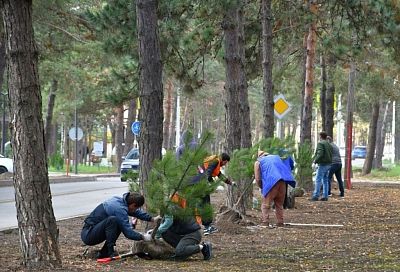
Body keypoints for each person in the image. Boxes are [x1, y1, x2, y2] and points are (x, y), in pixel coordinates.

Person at [81, 192, 161, 258]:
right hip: (89, 235)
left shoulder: (121, 201)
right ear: (133, 205)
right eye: (137, 208)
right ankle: (109, 252)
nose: (136, 210)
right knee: (113, 221)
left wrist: (152, 219)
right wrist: (143, 237)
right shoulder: (120, 210)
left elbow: (135, 212)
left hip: (92, 230)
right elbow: (128, 233)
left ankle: (104, 252)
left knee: (116, 222)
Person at [155, 193, 212, 261]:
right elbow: (163, 225)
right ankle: (182, 251)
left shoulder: (169, 207)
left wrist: (156, 233)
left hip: (193, 234)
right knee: (164, 233)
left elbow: (168, 222)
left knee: (179, 251)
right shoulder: (166, 207)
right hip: (183, 234)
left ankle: (204, 247)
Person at [254, 151, 296, 227]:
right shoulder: (277, 158)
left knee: (265, 204)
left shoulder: (259, 161)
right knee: (279, 204)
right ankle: (280, 222)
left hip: (271, 182)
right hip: (282, 181)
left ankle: (265, 222)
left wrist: (261, 187)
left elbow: (257, 178)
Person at [198, 152, 232, 235]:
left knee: (205, 204)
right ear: (224, 160)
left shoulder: (216, 162)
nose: (225, 165)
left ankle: (208, 226)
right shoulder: (215, 161)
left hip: (201, 182)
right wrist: (207, 183)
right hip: (202, 184)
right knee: (205, 204)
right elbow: (208, 173)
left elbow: (219, 175)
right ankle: (206, 227)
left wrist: (230, 182)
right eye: (226, 162)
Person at [311, 131, 333, 201]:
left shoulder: (320, 143)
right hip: (329, 164)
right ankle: (325, 196)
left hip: (322, 164)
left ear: (320, 136)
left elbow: (320, 153)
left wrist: (315, 161)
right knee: (325, 180)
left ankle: (316, 196)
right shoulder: (329, 144)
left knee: (318, 179)